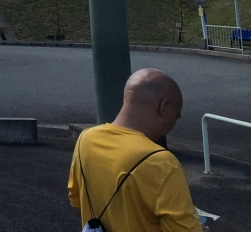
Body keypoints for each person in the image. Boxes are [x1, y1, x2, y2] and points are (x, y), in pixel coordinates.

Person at [68, 68, 205, 231]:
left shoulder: (87, 139)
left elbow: (75, 200)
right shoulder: (162, 163)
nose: (173, 125)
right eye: (176, 116)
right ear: (164, 107)